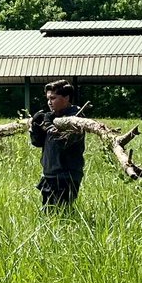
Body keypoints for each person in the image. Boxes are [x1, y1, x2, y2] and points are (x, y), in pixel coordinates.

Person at [29, 79, 85, 208]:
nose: (49, 102)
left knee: (61, 215)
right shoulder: (51, 116)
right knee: (48, 217)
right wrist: (36, 127)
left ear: (66, 98)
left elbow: (63, 143)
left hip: (66, 176)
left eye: (53, 98)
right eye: (48, 98)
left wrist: (48, 124)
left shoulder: (76, 118)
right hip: (49, 174)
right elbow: (37, 143)